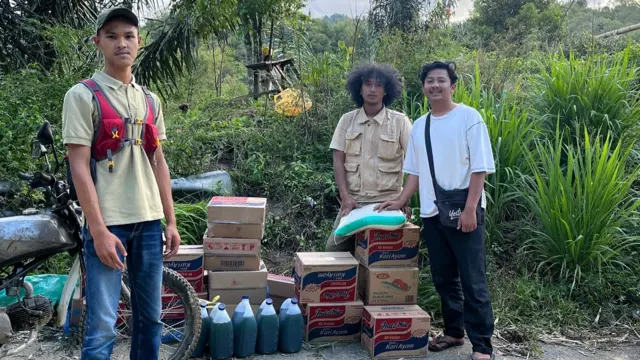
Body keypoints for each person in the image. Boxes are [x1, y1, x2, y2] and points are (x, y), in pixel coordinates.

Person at [62, 7, 181, 360]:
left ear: (139, 42)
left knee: (151, 321)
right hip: (108, 224)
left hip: (147, 222)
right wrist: (97, 231)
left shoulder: (149, 100)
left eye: (129, 36)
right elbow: (79, 167)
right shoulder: (83, 96)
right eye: (112, 36)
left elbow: (158, 161)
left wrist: (170, 220)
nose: (121, 43)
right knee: (102, 326)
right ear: (98, 41)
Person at [376, 61, 496, 360]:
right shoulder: (420, 125)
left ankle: (482, 345)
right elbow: (414, 172)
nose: (435, 85)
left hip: (464, 211)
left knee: (473, 278)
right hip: (432, 213)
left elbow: (480, 168)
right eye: (430, 80)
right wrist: (401, 200)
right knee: (444, 277)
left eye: (441, 80)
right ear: (424, 87)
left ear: (452, 86)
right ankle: (455, 332)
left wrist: (471, 209)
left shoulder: (469, 117)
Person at [326, 63, 413, 253]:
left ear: (386, 90)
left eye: (379, 85)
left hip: (387, 204)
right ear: (360, 88)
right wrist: (345, 198)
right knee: (333, 253)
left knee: (383, 259)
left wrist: (402, 200)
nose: (373, 89)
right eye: (368, 84)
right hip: (354, 203)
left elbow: (417, 165)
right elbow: (338, 160)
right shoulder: (347, 120)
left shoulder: (400, 122)